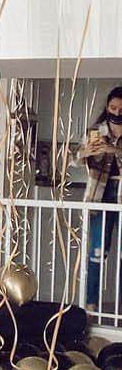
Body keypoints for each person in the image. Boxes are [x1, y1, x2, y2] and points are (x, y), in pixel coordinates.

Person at [80, 86, 122, 308]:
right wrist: (86, 152)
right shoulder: (95, 130)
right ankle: (90, 305)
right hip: (100, 195)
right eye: (113, 107)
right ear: (107, 107)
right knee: (96, 251)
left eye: (121, 109)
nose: (116, 113)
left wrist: (114, 150)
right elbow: (73, 158)